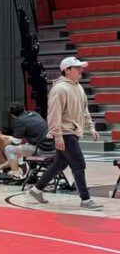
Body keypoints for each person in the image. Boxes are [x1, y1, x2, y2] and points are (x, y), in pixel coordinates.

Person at [27, 57, 103, 210]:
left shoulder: (78, 87)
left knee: (60, 164)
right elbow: (54, 115)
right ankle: (85, 199)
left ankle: (36, 190)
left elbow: (84, 111)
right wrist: (58, 135)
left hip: (72, 132)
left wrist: (91, 128)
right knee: (79, 164)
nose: (81, 70)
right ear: (67, 70)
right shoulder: (59, 89)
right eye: (77, 68)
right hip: (65, 133)